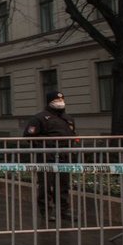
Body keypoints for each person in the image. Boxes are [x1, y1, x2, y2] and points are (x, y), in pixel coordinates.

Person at [23, 91, 77, 222]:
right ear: (49, 102)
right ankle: (47, 212)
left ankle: (64, 211)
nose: (60, 102)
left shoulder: (68, 118)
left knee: (63, 185)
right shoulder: (39, 118)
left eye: (62, 100)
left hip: (64, 156)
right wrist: (51, 141)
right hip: (46, 156)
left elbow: (73, 135)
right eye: (56, 100)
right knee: (46, 185)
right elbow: (29, 136)